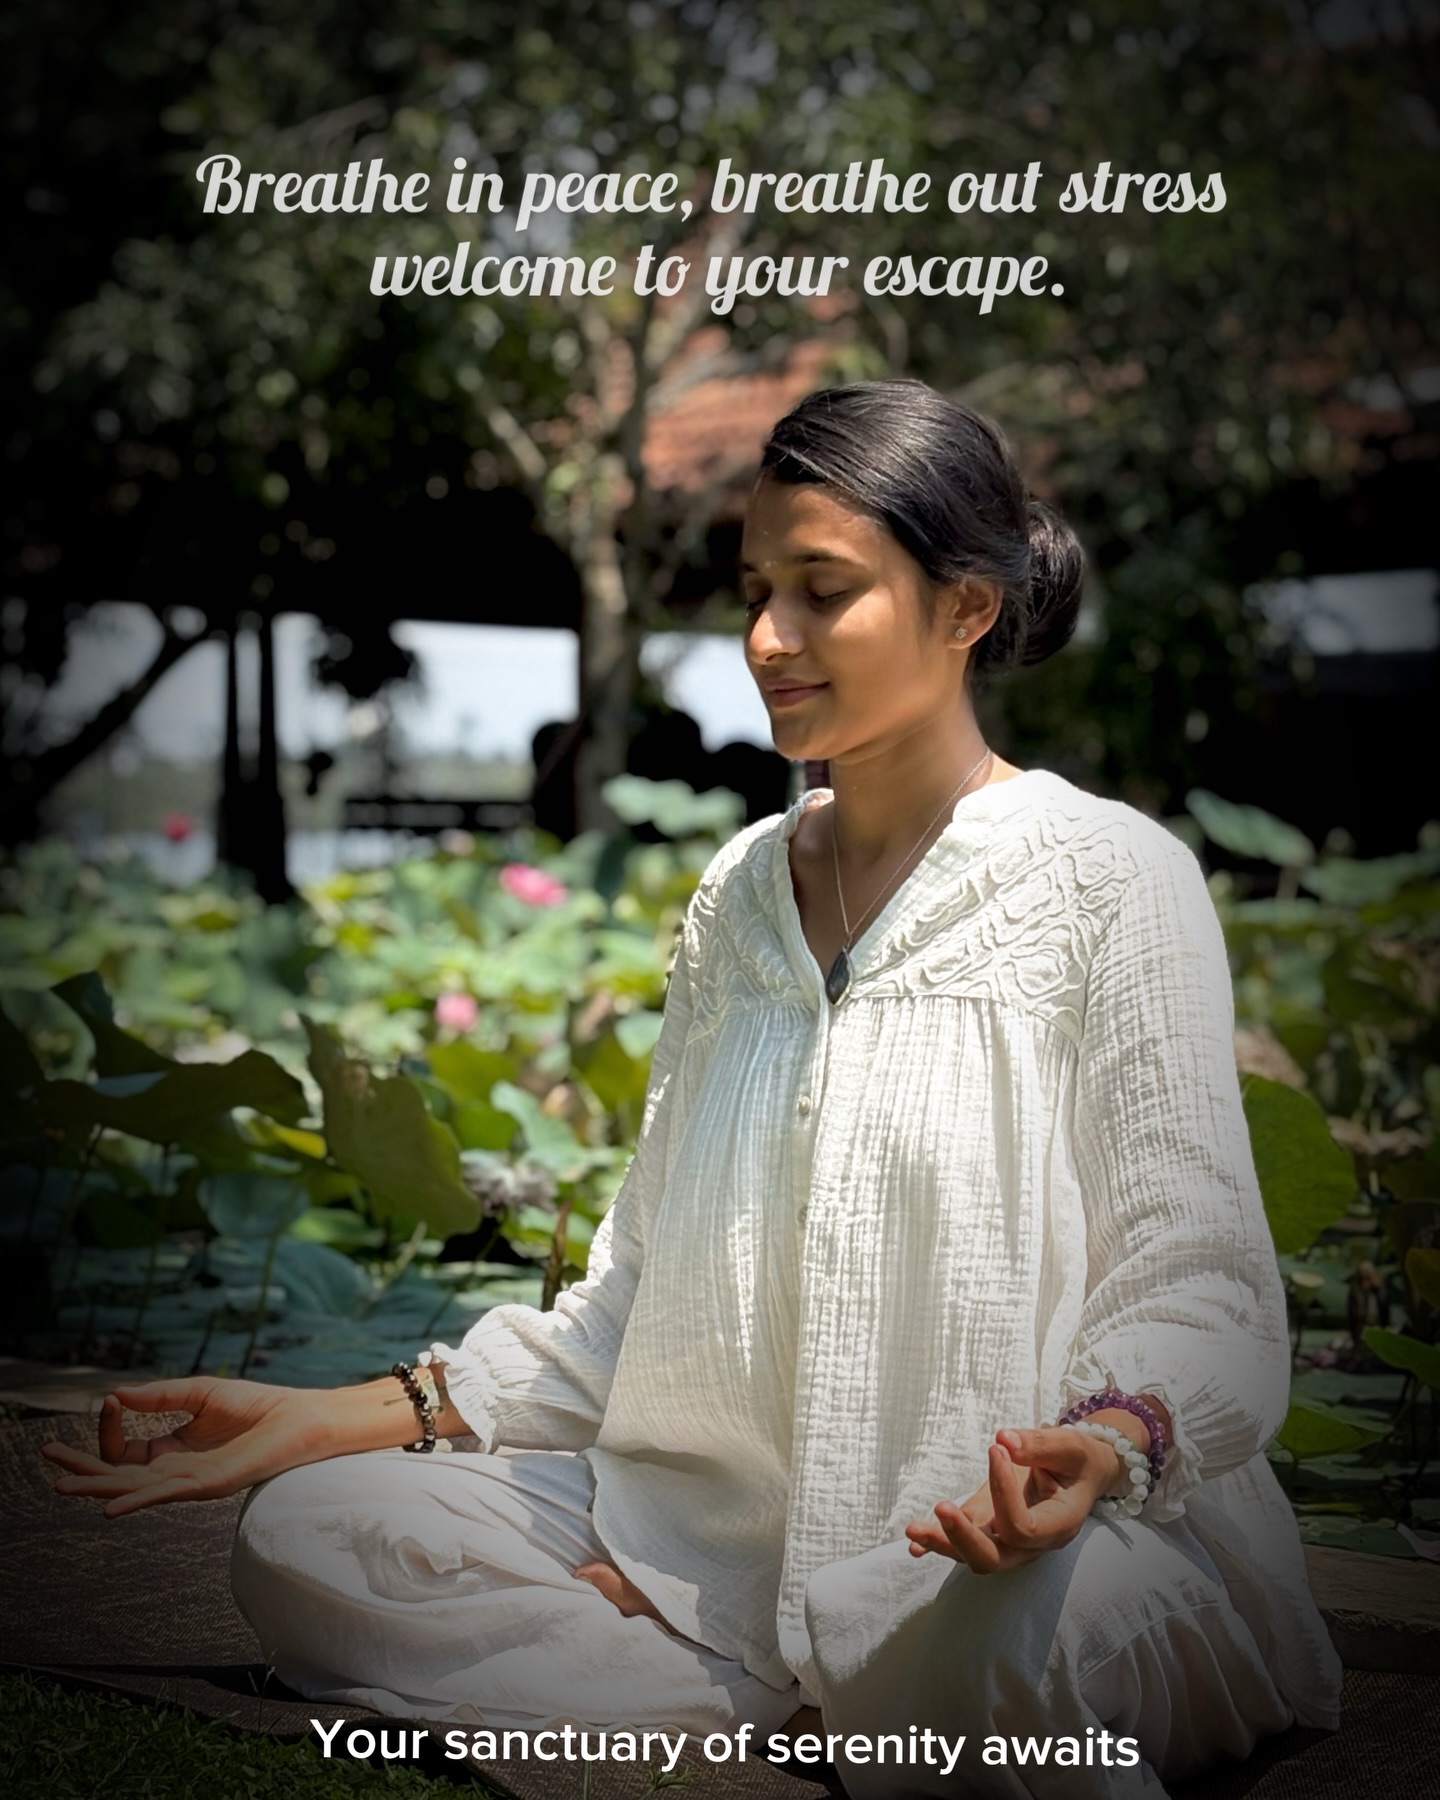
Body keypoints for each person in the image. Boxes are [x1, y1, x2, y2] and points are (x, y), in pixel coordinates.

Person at [44, 381, 1342, 1796]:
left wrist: (1105, 1446)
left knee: (987, 1650)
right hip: (726, 1541)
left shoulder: (1113, 880)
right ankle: (781, 1676)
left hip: (1042, 1551)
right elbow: (634, 1295)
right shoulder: (740, 896)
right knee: (314, 1536)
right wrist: (339, 1411)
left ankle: (761, 1679)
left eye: (822, 592)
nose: (768, 639)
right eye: (756, 593)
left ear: (966, 608)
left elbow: (1203, 1289)